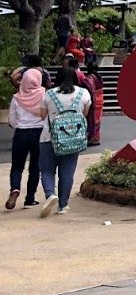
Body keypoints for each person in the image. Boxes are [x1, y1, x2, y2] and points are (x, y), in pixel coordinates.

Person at [35, 66, 91, 217]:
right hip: (73, 140)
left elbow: (42, 115)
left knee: (47, 170)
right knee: (67, 172)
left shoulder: (49, 94)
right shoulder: (83, 93)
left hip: (48, 138)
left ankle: (50, 194)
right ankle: (63, 205)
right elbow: (85, 114)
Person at [7, 55, 47, 210]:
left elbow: (12, 121)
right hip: (39, 133)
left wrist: (21, 125)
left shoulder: (17, 98)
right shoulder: (44, 94)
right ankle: (30, 199)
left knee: (17, 166)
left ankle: (15, 188)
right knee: (35, 167)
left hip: (21, 134)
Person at [82, 61, 104, 146]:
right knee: (97, 120)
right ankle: (96, 138)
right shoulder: (99, 77)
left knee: (92, 120)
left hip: (93, 100)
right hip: (100, 100)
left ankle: (92, 138)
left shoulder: (89, 79)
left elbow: (89, 90)